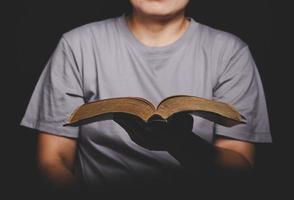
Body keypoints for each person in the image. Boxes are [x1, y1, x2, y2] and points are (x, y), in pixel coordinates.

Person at [20, 0, 272, 195]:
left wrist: (182, 144)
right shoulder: (77, 44)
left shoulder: (230, 51)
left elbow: (240, 166)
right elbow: (53, 160)